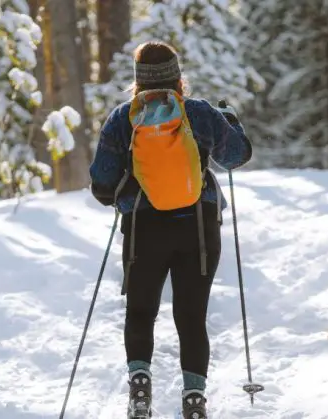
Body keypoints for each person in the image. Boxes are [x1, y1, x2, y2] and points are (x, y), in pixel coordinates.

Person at [88, 40, 251, 419]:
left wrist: (127, 192)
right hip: (198, 226)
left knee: (141, 311)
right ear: (179, 79)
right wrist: (231, 120)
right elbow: (237, 156)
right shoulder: (199, 113)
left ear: (138, 82)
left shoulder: (122, 118)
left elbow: (101, 186)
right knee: (192, 316)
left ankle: (140, 388)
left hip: (144, 228)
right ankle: (194, 400)